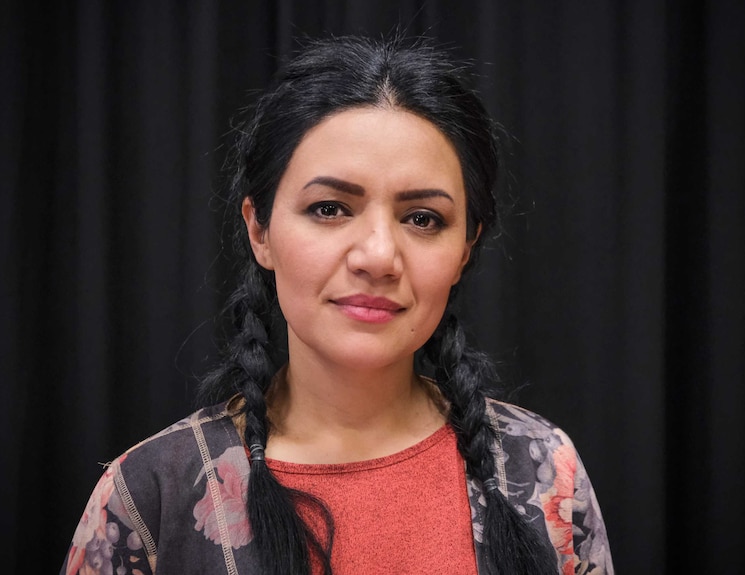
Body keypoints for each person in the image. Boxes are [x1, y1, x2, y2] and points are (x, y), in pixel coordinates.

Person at [60, 34, 614, 575]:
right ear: (260, 230)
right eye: (329, 208)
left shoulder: (543, 474)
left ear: (466, 247)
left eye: (423, 218)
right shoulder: (150, 495)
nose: (378, 256)